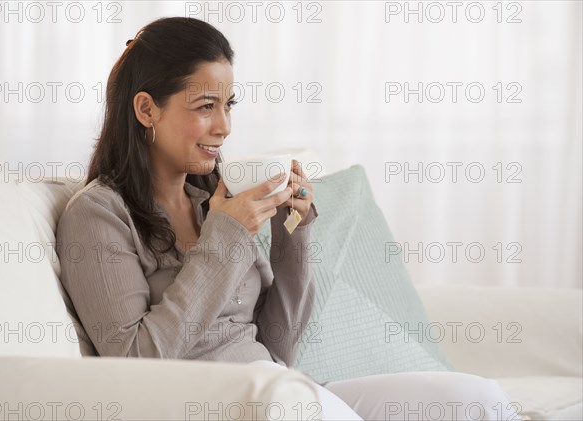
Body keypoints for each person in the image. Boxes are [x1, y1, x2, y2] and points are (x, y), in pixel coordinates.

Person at [56, 17, 523, 421]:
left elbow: (278, 346)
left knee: (476, 399)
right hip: (222, 404)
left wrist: (290, 234)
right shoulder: (99, 215)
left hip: (281, 391)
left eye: (228, 104)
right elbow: (135, 363)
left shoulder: (210, 202)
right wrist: (228, 236)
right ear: (145, 109)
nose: (225, 126)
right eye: (205, 106)